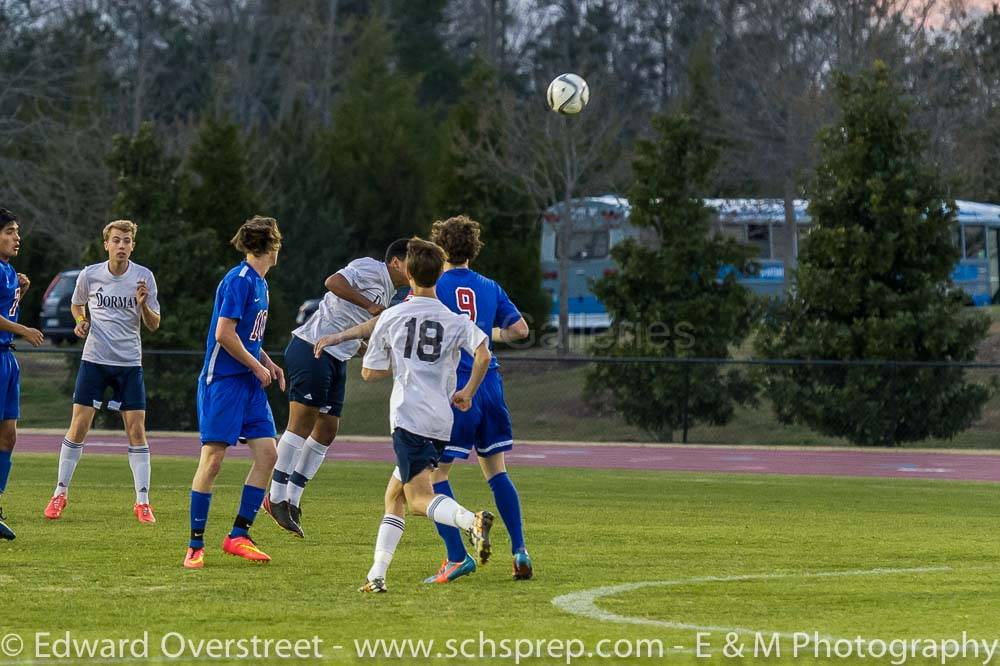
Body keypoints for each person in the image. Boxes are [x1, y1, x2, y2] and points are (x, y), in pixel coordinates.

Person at [316, 216, 533, 583]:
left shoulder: (432, 283)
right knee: (496, 471)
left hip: (448, 394)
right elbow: (520, 330)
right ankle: (521, 551)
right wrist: (487, 332)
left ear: (440, 250)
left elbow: (385, 324)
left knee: (432, 479)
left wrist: (340, 337)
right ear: (474, 248)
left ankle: (457, 553)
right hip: (489, 385)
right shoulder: (489, 286)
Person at [357, 237, 493, 593]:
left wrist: (394, 360)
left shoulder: (394, 315)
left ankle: (471, 521)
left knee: (418, 499)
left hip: (408, 417)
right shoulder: (453, 318)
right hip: (440, 420)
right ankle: (376, 575)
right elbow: (483, 355)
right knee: (395, 496)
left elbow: (370, 373)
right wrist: (467, 392)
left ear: (409, 273)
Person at [263, 240, 409, 537]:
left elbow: (351, 325)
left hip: (336, 357)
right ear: (396, 261)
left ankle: (292, 499)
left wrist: (370, 350)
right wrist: (368, 305)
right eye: (413, 259)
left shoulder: (393, 292)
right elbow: (333, 282)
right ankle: (275, 496)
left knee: (327, 430)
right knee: (301, 423)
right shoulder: (371, 267)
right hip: (311, 348)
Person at [183, 216, 285, 569]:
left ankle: (238, 534)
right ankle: (195, 544)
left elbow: (248, 337)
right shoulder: (239, 280)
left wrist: (267, 362)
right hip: (224, 382)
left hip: (249, 383)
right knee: (213, 460)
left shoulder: (261, 283)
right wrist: (256, 366)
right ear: (272, 245)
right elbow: (225, 334)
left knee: (268, 455)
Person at [43, 220, 161, 523]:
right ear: (106, 244)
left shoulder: (143, 277)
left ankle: (143, 502)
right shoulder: (90, 274)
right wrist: (80, 321)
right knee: (79, 425)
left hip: (129, 363)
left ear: (133, 245)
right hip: (94, 360)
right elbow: (76, 305)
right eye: (116, 240)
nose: (122, 246)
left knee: (136, 430)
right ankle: (59, 493)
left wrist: (144, 304)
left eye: (127, 241)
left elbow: (154, 324)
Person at [0, 208, 44, 540]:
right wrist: (24, 330)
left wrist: (21, 291)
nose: (17, 237)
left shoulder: (10, 271)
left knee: (9, 436)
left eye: (17, 231)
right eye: (10, 231)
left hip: (7, 360)